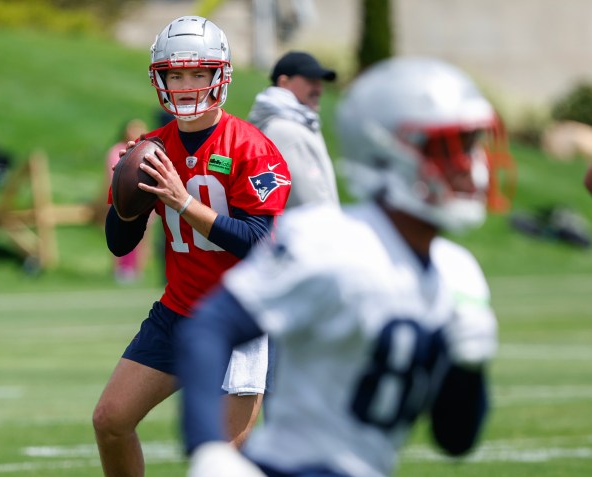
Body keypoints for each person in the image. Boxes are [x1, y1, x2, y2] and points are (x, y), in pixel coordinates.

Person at [175, 56, 509, 477]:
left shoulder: (458, 273)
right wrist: (208, 446)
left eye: (472, 145)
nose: (471, 166)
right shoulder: (328, 242)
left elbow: (454, 439)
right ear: (390, 153)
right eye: (449, 148)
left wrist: (469, 370)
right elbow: (209, 327)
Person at [92, 15, 291, 477]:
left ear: (219, 75)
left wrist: (182, 202)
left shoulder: (251, 147)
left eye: (197, 73)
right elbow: (119, 245)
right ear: (160, 79)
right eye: (175, 74)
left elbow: (260, 244)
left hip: (240, 317)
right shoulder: (151, 147)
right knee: (111, 420)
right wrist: (130, 199)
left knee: (218, 464)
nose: (186, 84)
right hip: (178, 311)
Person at [248, 51, 339, 209]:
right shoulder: (284, 130)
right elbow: (308, 202)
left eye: (319, 82)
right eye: (311, 81)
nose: (319, 89)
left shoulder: (297, 122)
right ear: (284, 82)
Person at [105, 118, 150, 283]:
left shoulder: (148, 149)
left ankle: (138, 270)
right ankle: (120, 269)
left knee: (143, 238)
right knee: (121, 234)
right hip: (123, 200)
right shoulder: (117, 150)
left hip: (144, 200)